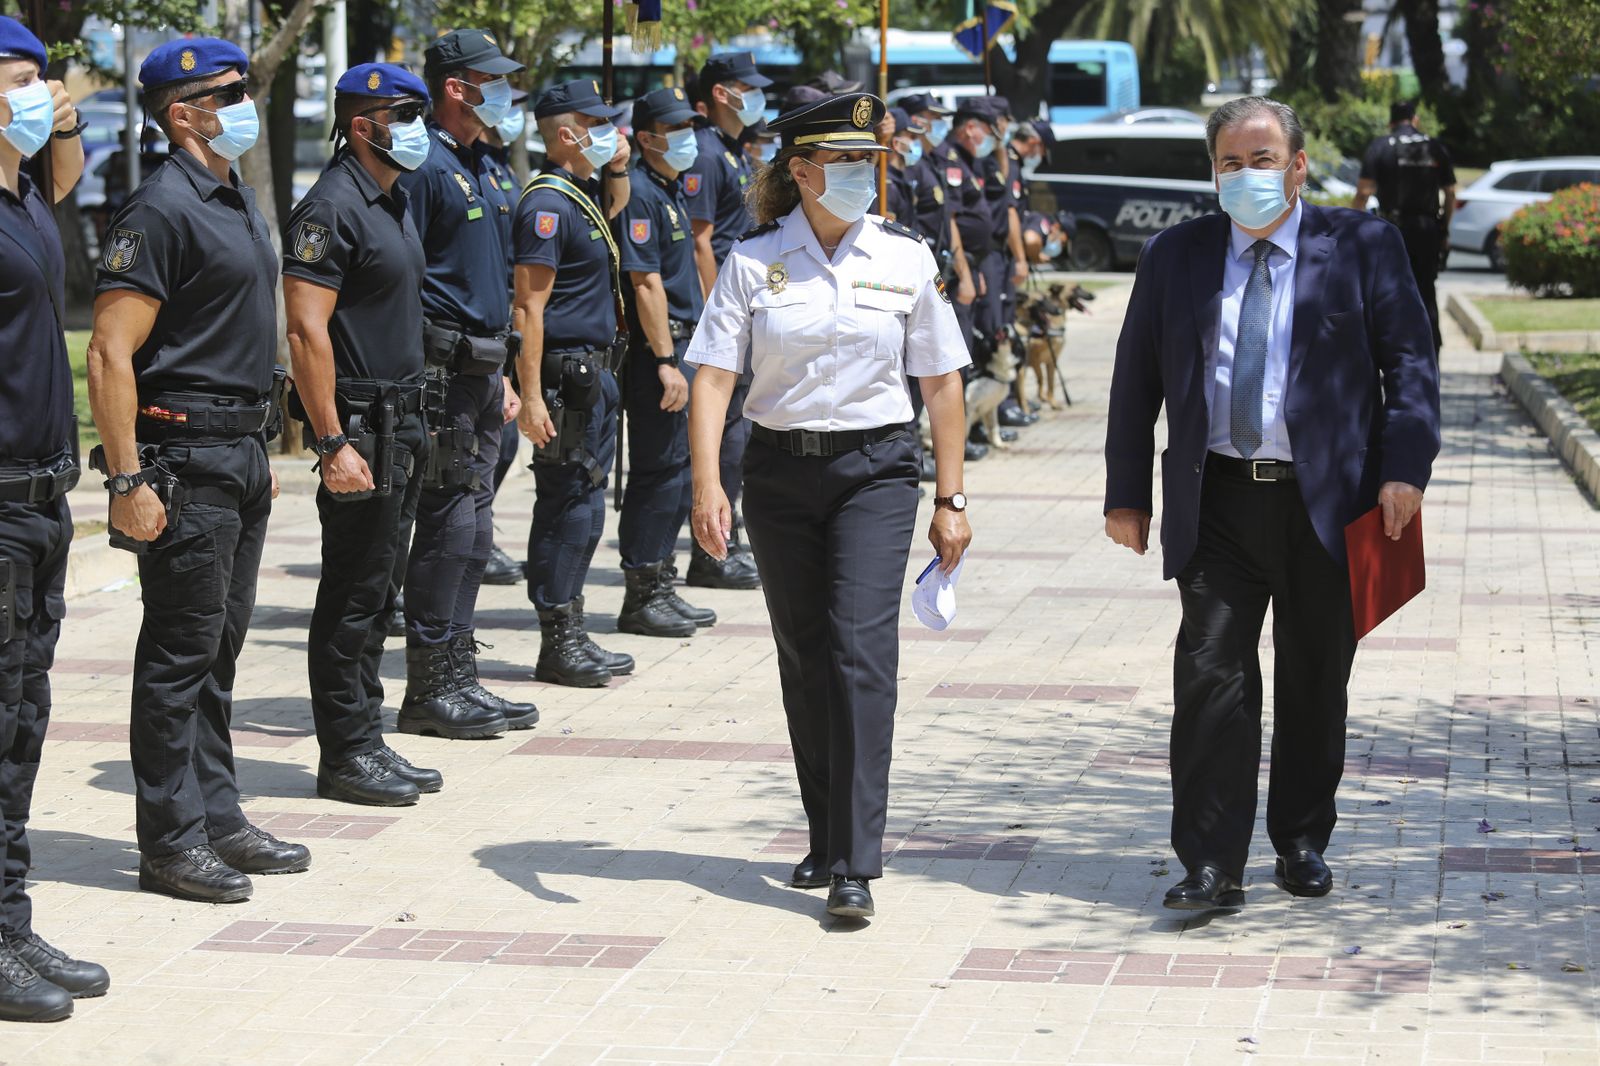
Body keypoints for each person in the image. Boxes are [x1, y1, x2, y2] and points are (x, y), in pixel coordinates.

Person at [1103, 97, 1441, 913]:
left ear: (1297, 166)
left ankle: (1301, 839)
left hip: (1332, 503)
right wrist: (1127, 494)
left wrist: (1405, 469)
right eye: (1230, 162)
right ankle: (1211, 864)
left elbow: (1410, 363)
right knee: (1210, 677)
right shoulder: (1176, 254)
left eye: (1262, 159)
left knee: (1315, 679)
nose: (1246, 174)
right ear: (1212, 172)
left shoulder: (1363, 244)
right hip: (1217, 499)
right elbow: (1134, 377)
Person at [685, 93, 973, 920]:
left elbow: (942, 384)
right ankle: (825, 832)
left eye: (867, 162)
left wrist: (951, 498)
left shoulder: (904, 256)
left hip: (875, 473)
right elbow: (714, 377)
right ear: (803, 171)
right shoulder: (754, 261)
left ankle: (855, 862)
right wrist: (707, 484)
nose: (861, 176)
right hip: (779, 474)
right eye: (845, 163)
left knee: (859, 652)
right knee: (806, 656)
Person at [86, 37, 310, 903]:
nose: (247, 102)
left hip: (237, 454)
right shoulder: (160, 209)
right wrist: (126, 481)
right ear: (184, 114)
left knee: (218, 651)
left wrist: (258, 446)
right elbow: (109, 353)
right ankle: (170, 842)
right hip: (183, 457)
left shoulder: (232, 195)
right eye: (230, 92)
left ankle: (218, 816)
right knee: (179, 657)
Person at [282, 63, 449, 807]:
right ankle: (345, 752)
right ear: (361, 127)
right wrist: (330, 442)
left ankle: (367, 738)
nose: (416, 128)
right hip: (360, 428)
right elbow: (305, 331)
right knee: (352, 595)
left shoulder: (392, 197)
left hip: (402, 421)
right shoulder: (331, 206)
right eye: (402, 116)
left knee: (380, 592)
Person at [0, 15, 111, 1021]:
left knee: (24, 722)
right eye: (18, 79)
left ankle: (10, 918)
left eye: (42, 78)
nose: (39, 94)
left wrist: (61, 123)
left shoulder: (24, 196)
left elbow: (61, 176)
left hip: (41, 499)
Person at [395, 29, 535, 737]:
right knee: (448, 524)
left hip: (483, 370)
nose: (507, 92)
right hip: (441, 374)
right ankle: (428, 686)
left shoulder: (487, 163)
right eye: (494, 80)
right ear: (456, 86)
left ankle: (458, 670)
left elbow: (493, 282)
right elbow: (402, 277)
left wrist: (504, 370)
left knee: (475, 528)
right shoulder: (423, 164)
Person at [512, 79, 635, 687]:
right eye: (598, 124)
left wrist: (618, 166)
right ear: (566, 134)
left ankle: (573, 628)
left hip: (594, 373)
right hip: (566, 377)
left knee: (586, 507)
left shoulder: (577, 195)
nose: (611, 132)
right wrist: (531, 396)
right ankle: (556, 638)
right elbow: (528, 308)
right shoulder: (547, 203)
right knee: (566, 507)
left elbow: (614, 209)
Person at [610, 87, 716, 639]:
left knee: (677, 471)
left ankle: (661, 581)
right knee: (657, 473)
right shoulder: (642, 194)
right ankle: (641, 593)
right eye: (675, 130)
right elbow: (645, 283)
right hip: (660, 353)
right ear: (647, 138)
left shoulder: (669, 189)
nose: (686, 138)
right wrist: (666, 359)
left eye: (689, 127)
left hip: (683, 346)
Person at [682, 51, 771, 591]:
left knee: (737, 438)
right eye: (746, 87)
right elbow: (701, 242)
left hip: (745, 310)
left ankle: (721, 542)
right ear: (721, 93)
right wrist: (721, 315)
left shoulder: (734, 151)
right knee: (722, 439)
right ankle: (710, 550)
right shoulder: (706, 153)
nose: (755, 96)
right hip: (724, 314)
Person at [1353, 101, 1455, 354]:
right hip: (1427, 229)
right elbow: (1450, 193)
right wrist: (1443, 228)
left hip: (1392, 230)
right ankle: (1430, 351)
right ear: (1415, 119)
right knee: (1426, 291)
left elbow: (1364, 192)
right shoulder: (1434, 146)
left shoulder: (1381, 146)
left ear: (1391, 122)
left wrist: (1354, 229)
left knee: (1389, 292)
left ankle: (1394, 352)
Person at [480, 90, 528, 586]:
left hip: (502, 319)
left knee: (503, 441)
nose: (512, 114)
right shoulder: (470, 163)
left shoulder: (501, 166)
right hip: (474, 328)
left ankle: (481, 531)